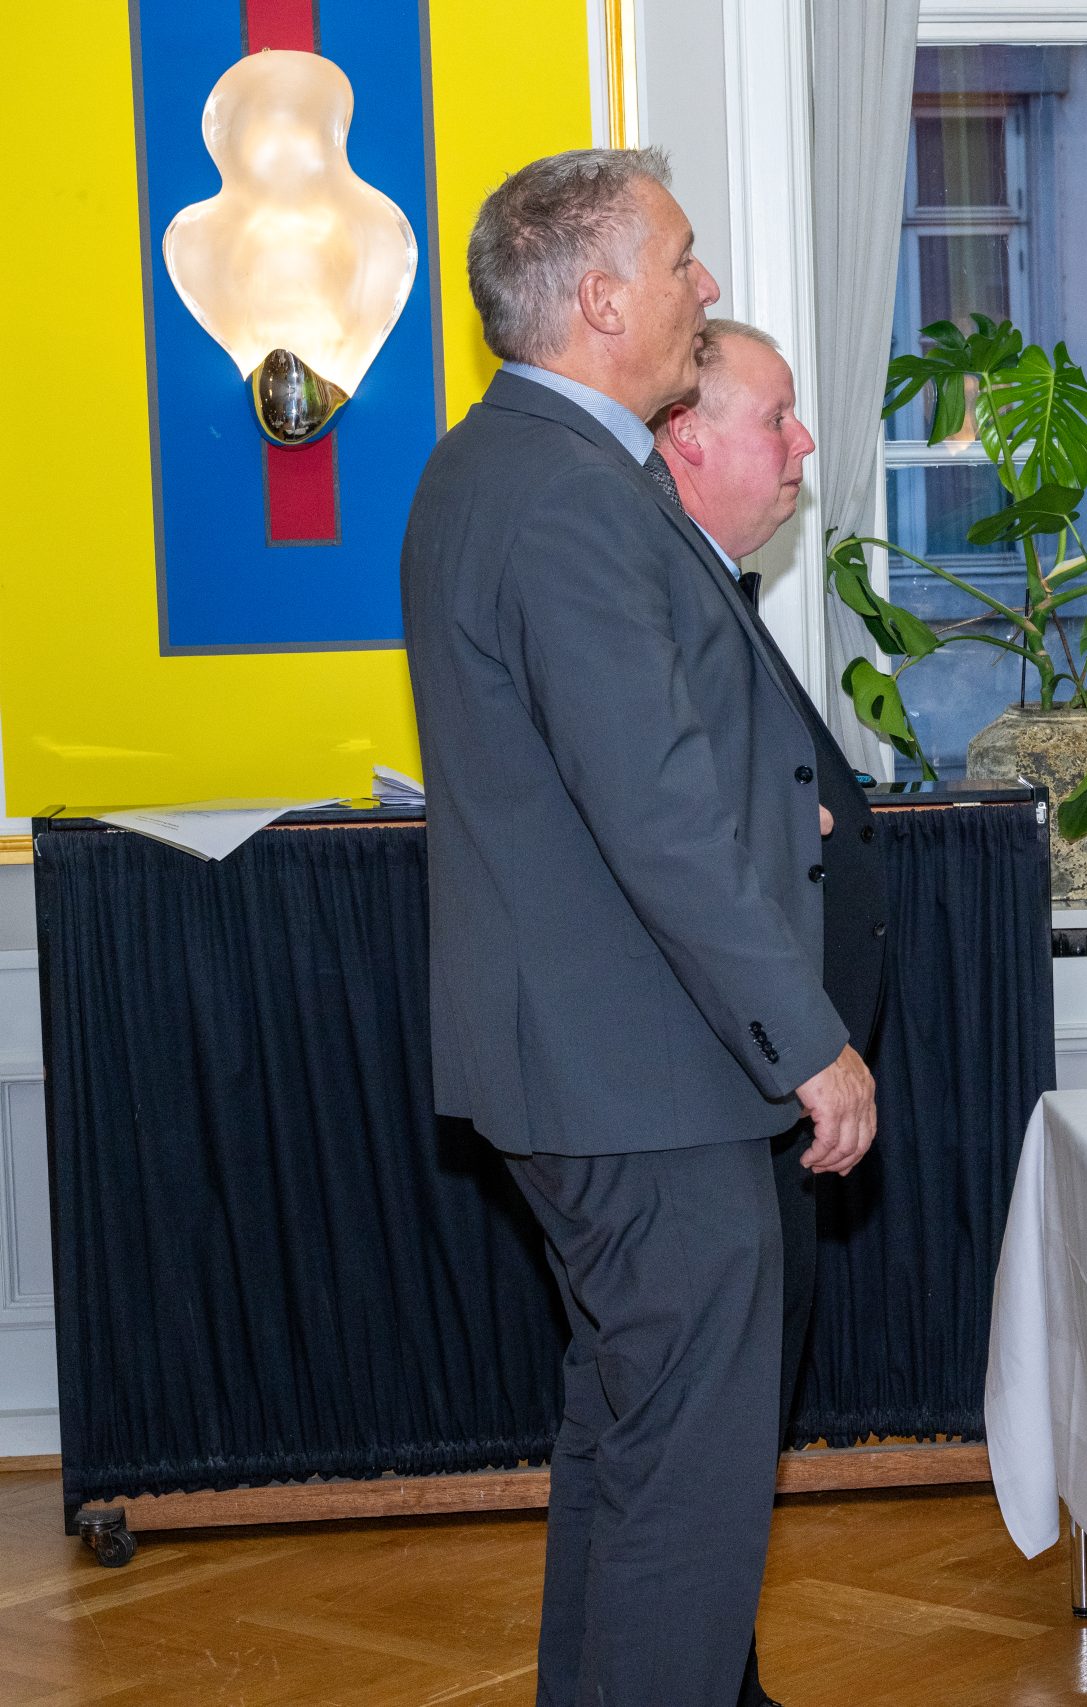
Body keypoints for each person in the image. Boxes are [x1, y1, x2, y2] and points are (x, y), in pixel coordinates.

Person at [401, 148, 875, 1707]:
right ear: (602, 299)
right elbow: (653, 809)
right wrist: (808, 1041)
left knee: (627, 1448)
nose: (705, 284)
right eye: (681, 260)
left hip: (595, 1069)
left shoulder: (501, 464)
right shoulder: (566, 493)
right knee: (686, 1495)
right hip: (643, 1079)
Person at [654, 320, 896, 1707]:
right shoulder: (660, 597)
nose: (804, 444)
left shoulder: (704, 585)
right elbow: (675, 842)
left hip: (764, 1099)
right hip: (729, 1092)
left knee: (734, 1433)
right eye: (778, 419)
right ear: (687, 436)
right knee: (701, 1442)